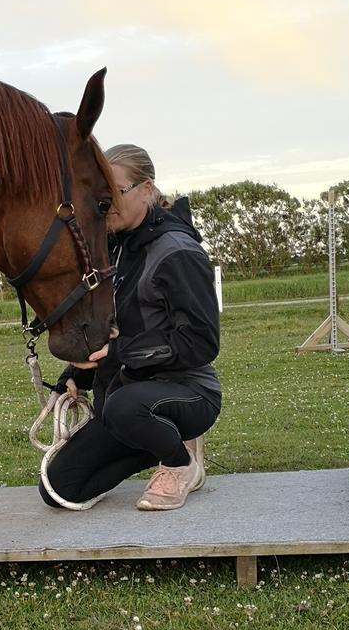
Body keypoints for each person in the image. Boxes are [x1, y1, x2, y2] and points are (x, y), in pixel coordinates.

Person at [39, 143, 221, 511]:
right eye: (97, 194)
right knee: (60, 490)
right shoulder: (112, 250)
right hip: (124, 398)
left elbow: (202, 342)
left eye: (115, 193)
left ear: (147, 190)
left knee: (124, 408)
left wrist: (121, 354)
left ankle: (181, 464)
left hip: (189, 392)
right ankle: (163, 440)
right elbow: (115, 325)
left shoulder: (178, 251)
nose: (103, 203)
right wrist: (78, 374)